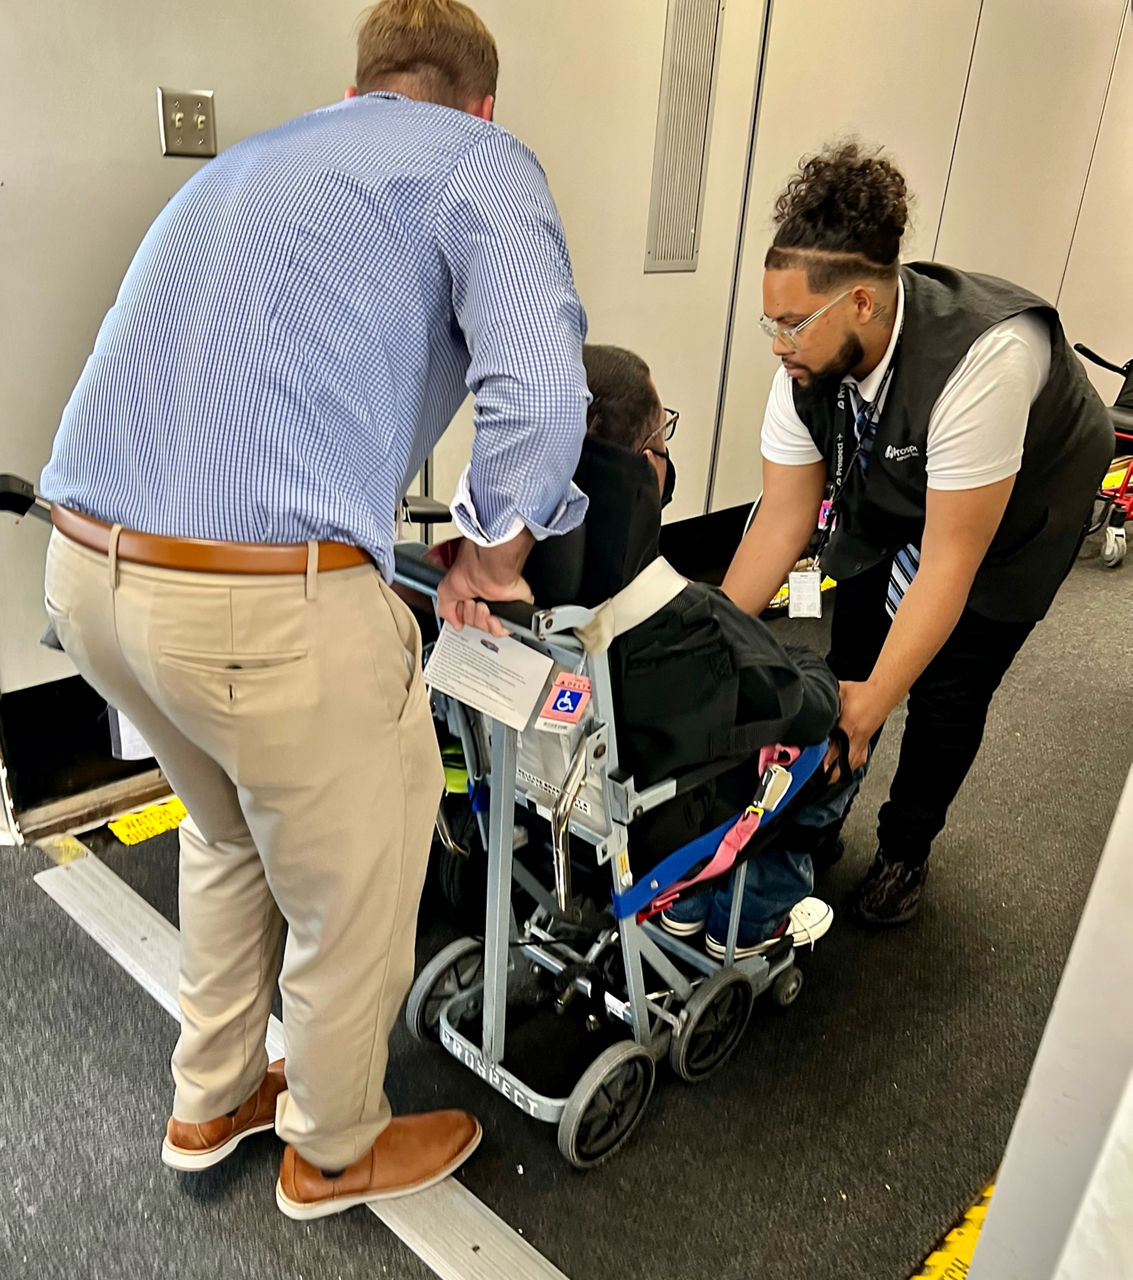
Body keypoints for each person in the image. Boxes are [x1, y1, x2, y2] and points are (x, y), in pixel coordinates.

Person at [38, 0, 590, 1220]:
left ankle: (211, 1095)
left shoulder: (250, 162)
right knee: (354, 884)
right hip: (253, 608)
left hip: (87, 580)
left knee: (228, 830)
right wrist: (489, 557)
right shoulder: (475, 159)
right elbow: (546, 401)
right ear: (480, 101)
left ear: (363, 83)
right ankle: (333, 1147)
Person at [722, 142, 1113, 926]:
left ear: (860, 303)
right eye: (770, 319)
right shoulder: (809, 364)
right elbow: (782, 516)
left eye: (791, 323)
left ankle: (905, 850)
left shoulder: (984, 359)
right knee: (853, 652)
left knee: (942, 690)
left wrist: (873, 706)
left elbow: (947, 563)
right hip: (898, 481)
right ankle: (822, 816)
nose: (776, 342)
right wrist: (710, 640)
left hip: (1022, 512)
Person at [576, 344, 847, 956]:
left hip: (562, 818)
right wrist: (816, 670)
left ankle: (685, 907)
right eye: (663, 436)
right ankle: (750, 918)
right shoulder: (690, 617)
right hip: (658, 825)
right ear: (648, 467)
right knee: (826, 744)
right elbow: (800, 705)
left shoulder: (498, 596)